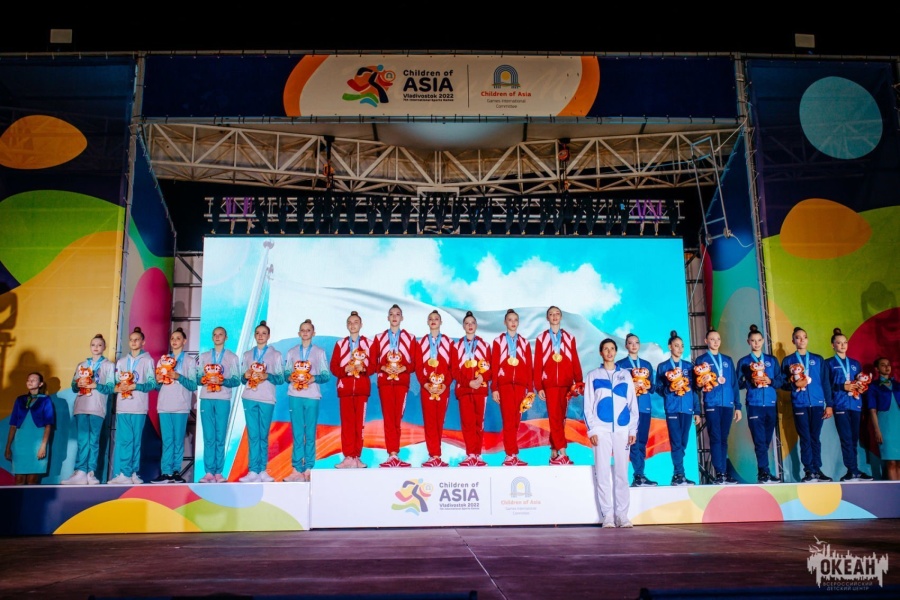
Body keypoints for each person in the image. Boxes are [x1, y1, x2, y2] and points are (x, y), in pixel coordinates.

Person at [584, 339, 638, 528]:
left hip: (622, 430)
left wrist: (632, 429)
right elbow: (587, 406)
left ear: (616, 352)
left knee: (622, 473)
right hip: (601, 430)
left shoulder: (625, 375)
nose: (609, 352)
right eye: (605, 349)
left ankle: (622, 515)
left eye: (612, 349)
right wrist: (592, 429)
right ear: (601, 352)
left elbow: (633, 404)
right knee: (603, 473)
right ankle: (607, 516)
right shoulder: (593, 376)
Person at [780, 326, 833, 482]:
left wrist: (829, 404)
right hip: (800, 404)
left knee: (815, 437)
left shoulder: (818, 359)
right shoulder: (788, 360)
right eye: (798, 337)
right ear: (793, 341)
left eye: (804, 337)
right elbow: (782, 383)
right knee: (805, 437)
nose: (801, 340)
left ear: (807, 339)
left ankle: (817, 470)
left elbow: (825, 382)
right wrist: (793, 384)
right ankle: (809, 471)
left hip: (817, 403)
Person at [533, 306, 583, 465]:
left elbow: (575, 360)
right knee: (555, 417)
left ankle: (554, 453)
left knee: (560, 419)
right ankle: (563, 453)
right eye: (551, 314)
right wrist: (539, 386)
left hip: (567, 384)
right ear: (547, 318)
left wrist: (578, 381)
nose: (554, 316)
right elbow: (538, 363)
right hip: (550, 384)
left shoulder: (569, 338)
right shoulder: (541, 339)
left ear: (561, 317)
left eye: (557, 314)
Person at [63, 334, 115, 485]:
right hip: (81, 406)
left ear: (104, 347)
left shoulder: (109, 365)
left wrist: (95, 385)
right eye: (93, 345)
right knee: (82, 441)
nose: (96, 347)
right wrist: (78, 383)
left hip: (97, 407)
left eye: (99, 345)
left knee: (93, 441)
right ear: (90, 347)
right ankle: (80, 472)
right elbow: (74, 387)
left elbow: (110, 387)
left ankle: (91, 472)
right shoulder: (82, 365)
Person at [283, 319, 331, 482]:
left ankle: (309, 468)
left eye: (308, 330)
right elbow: (286, 374)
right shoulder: (291, 352)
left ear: (313, 333)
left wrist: (313, 378)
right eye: (302, 330)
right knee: (297, 433)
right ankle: (297, 469)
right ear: (299, 333)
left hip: (312, 396)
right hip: (295, 395)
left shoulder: (319, 352)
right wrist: (291, 377)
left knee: (309, 432)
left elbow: (326, 375)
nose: (305, 332)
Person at [109, 327, 158, 485]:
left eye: (137, 340)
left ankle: (133, 473)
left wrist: (135, 386)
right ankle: (124, 472)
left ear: (143, 342)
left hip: (139, 406)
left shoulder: (148, 361)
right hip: (123, 406)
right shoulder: (122, 362)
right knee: (125, 441)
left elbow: (152, 384)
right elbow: (114, 384)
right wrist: (119, 388)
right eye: (131, 340)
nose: (133, 342)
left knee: (136, 442)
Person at [736, 324, 784, 484]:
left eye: (758, 340)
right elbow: (737, 384)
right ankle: (764, 473)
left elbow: (780, 381)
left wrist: (770, 381)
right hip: (754, 404)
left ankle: (765, 472)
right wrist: (749, 380)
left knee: (766, 441)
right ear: (748, 342)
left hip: (770, 404)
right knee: (759, 441)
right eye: (753, 341)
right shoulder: (744, 362)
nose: (756, 343)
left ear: (763, 341)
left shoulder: (771, 360)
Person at [371, 304, 417, 468]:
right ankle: (391, 455)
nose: (394, 317)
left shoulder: (410, 338)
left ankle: (395, 453)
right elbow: (372, 363)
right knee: (389, 418)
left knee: (397, 418)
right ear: (388, 318)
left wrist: (404, 368)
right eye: (391, 314)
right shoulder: (379, 338)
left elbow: (415, 363)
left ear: (402, 318)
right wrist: (383, 368)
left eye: (397, 314)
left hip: (401, 383)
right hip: (385, 383)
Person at [238, 320, 285, 482]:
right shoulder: (247, 355)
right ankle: (253, 470)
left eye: (264, 333)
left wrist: (267, 375)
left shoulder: (276, 355)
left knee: (263, 435)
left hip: (267, 398)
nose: (260, 336)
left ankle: (262, 470)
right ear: (254, 335)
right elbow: (242, 379)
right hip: (249, 398)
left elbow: (280, 378)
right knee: (253, 435)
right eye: (258, 333)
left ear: (268, 336)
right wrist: (245, 376)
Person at [693, 328, 741, 484]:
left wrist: (738, 406)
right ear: (706, 341)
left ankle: (724, 473)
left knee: (724, 438)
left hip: (727, 404)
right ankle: (719, 473)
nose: (715, 342)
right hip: (712, 403)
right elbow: (696, 385)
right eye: (712, 339)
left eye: (718, 339)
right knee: (715, 437)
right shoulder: (701, 360)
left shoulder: (727, 360)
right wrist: (700, 384)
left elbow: (734, 384)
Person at [825, 327, 873, 482]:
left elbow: (860, 381)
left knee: (853, 439)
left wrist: (861, 387)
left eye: (845, 342)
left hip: (855, 404)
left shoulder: (855, 364)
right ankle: (852, 470)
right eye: (839, 343)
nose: (843, 345)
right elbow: (826, 385)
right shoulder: (829, 363)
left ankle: (855, 470)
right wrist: (841, 387)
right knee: (846, 438)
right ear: (833, 345)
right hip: (840, 404)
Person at [153, 327, 198, 484]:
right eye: (172, 338)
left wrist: (178, 376)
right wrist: (158, 381)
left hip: (181, 405)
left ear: (184, 341)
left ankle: (176, 472)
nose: (174, 341)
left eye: (178, 338)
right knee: (167, 441)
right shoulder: (162, 361)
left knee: (178, 441)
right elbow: (157, 386)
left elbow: (193, 385)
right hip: (164, 405)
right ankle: (166, 472)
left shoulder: (190, 361)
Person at [196, 326, 241, 483]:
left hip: (223, 399)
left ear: (226, 338)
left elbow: (236, 380)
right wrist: (205, 379)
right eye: (215, 334)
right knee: (209, 436)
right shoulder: (204, 357)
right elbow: (197, 379)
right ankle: (209, 472)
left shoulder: (232, 357)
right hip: (206, 398)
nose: (217, 337)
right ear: (212, 337)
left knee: (220, 436)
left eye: (220, 334)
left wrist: (222, 381)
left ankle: (218, 473)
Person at [655, 330, 700, 486]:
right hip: (672, 408)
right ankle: (679, 474)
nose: (680, 349)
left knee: (683, 443)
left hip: (687, 409)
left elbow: (694, 390)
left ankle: (678, 475)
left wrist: (697, 411)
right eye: (676, 345)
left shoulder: (689, 367)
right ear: (670, 347)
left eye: (682, 346)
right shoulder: (663, 367)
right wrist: (669, 389)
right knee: (676, 442)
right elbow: (658, 388)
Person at [330, 311, 373, 468]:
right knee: (347, 424)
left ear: (361, 325)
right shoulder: (340, 344)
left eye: (355, 322)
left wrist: (364, 369)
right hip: (345, 389)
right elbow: (334, 367)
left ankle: (357, 457)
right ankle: (348, 456)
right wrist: (345, 369)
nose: (352, 325)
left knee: (359, 425)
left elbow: (374, 365)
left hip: (361, 389)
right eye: (350, 322)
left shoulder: (369, 344)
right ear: (347, 326)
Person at [491, 308, 534, 466]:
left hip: (521, 386)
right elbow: (494, 365)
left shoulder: (524, 343)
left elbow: (529, 367)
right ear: (505, 322)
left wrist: (530, 390)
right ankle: (510, 455)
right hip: (505, 386)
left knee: (516, 421)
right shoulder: (498, 341)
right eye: (510, 320)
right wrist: (494, 388)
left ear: (518, 322)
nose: (513, 323)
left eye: (515, 320)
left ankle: (513, 454)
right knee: (508, 420)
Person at [616, 333, 658, 487]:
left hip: (644, 407)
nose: (634, 345)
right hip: (628, 409)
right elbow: (617, 388)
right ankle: (638, 475)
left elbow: (653, 387)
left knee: (642, 442)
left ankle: (640, 475)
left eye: (636, 343)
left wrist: (647, 385)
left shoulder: (646, 365)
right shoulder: (620, 365)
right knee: (633, 441)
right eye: (630, 343)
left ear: (639, 345)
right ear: (626, 345)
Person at [452, 311, 491, 467]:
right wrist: (468, 383)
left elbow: (490, 368)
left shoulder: (484, 346)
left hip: (480, 390)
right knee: (467, 423)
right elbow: (454, 370)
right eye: (467, 323)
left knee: (478, 423)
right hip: (464, 390)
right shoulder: (456, 346)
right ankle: (470, 455)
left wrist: (481, 378)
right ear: (463, 326)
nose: (470, 326)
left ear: (476, 325)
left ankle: (478, 455)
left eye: (472, 323)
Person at [416, 310, 454, 467]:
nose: (433, 321)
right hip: (427, 388)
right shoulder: (421, 343)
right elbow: (418, 367)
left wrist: (445, 384)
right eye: (430, 318)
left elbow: (452, 367)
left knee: (439, 421)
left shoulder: (448, 342)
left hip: (443, 388)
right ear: (427, 322)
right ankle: (433, 455)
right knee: (430, 421)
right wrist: (425, 384)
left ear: (441, 322)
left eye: (436, 319)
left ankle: (437, 455)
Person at [5, 372, 54, 485]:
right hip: (20, 443)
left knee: (32, 480)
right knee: (19, 480)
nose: (30, 381)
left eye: (34, 380)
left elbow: (48, 425)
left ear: (40, 384)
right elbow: (13, 425)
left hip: (37, 443)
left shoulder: (46, 400)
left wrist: (43, 446)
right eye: (28, 379)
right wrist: (8, 447)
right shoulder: (20, 400)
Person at [867, 357, 900, 480]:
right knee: (891, 462)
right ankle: (893, 489)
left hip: (898, 423)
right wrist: (877, 430)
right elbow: (872, 410)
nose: (887, 367)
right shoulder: (874, 386)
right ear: (877, 369)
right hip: (885, 425)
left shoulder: (897, 385)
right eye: (883, 365)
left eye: (888, 364)